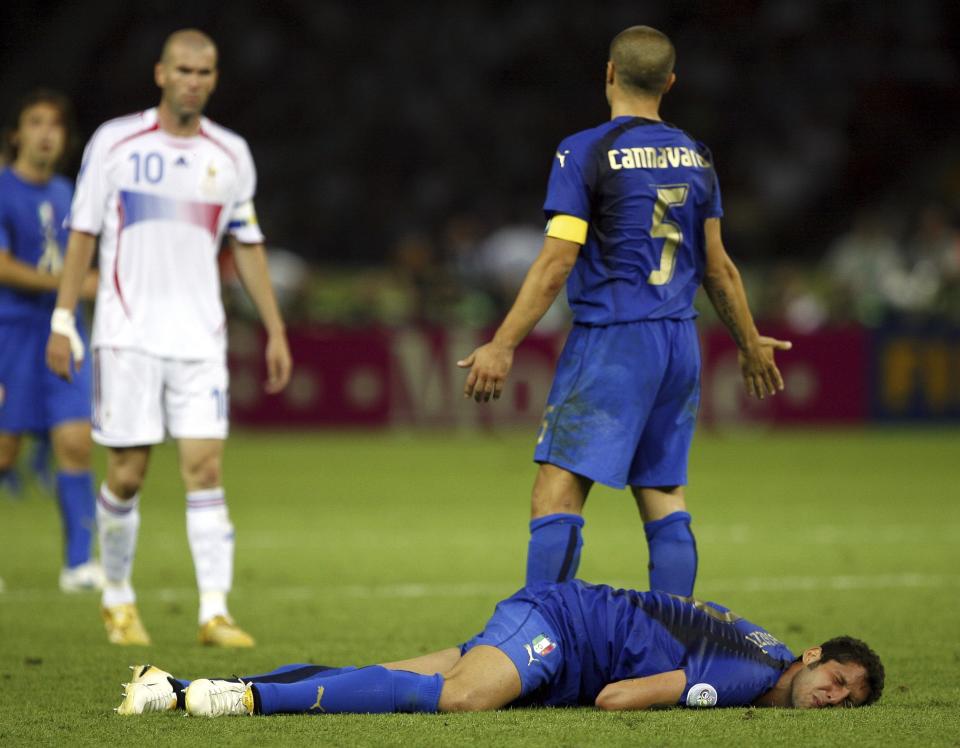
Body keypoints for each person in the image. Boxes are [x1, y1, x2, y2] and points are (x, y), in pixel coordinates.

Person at [457, 26, 792, 597]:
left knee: (556, 489)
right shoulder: (696, 154)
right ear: (670, 82)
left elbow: (557, 262)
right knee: (662, 492)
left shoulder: (584, 150)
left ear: (609, 73)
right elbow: (718, 267)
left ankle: (539, 632)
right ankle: (673, 637)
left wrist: (503, 343)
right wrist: (749, 340)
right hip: (678, 342)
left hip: (614, 339)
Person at [46, 29, 292, 647]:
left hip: (200, 338)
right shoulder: (115, 143)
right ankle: (118, 597)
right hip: (126, 334)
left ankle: (214, 611)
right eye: (183, 69)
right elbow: (80, 234)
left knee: (205, 468)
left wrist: (275, 328)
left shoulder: (230, 154)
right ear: (160, 73)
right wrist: (61, 318)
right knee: (127, 474)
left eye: (204, 72)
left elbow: (248, 244)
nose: (193, 81)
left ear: (214, 78)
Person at [113, 578, 884, 716]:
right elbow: (618, 698)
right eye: (840, 677)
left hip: (570, 630)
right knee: (463, 697)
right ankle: (240, 702)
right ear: (812, 655)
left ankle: (185, 687)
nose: (836, 697)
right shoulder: (751, 675)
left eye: (850, 699)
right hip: (564, 625)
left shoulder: (766, 648)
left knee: (396, 677)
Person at [0, 89, 102, 591]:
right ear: (17, 134)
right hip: (10, 332)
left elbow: (86, 267)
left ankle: (79, 564)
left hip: (64, 331)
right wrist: (71, 285)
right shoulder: (1, 189)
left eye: (55, 125)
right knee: (2, 452)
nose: (46, 132)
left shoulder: (69, 194)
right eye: (35, 122)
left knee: (76, 442)